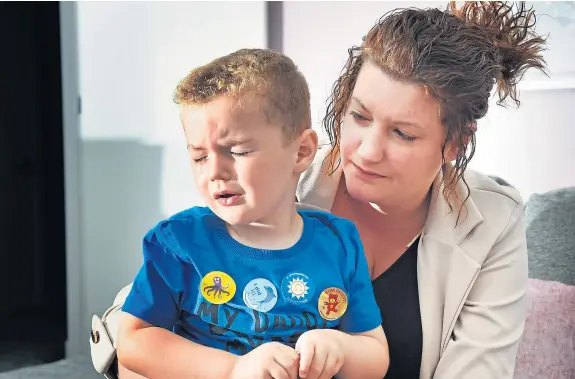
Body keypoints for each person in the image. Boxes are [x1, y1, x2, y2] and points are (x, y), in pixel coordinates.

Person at [90, 1, 548, 378]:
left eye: (403, 134)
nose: (366, 152)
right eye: (360, 117)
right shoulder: (278, 172)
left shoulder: (493, 221)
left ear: (455, 143)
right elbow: (142, 330)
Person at [111, 48, 389, 379]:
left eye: (239, 151)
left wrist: (340, 349)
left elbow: (374, 352)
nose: (214, 171)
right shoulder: (180, 242)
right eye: (199, 157)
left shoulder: (339, 243)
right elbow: (134, 340)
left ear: (301, 152)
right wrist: (234, 369)